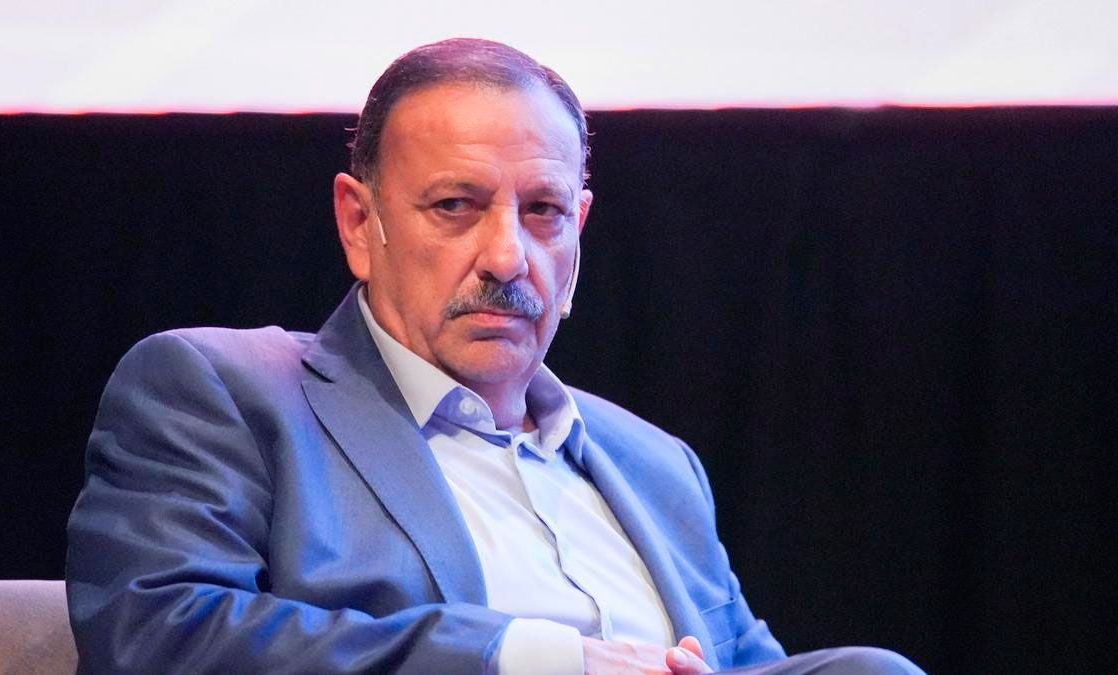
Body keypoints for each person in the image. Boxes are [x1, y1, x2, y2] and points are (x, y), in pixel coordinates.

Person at [66, 38, 923, 674]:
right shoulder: (228, 393)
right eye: (455, 205)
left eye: (543, 211)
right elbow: (156, 633)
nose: (508, 257)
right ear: (360, 224)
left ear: (579, 232)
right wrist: (530, 658)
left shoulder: (654, 463)